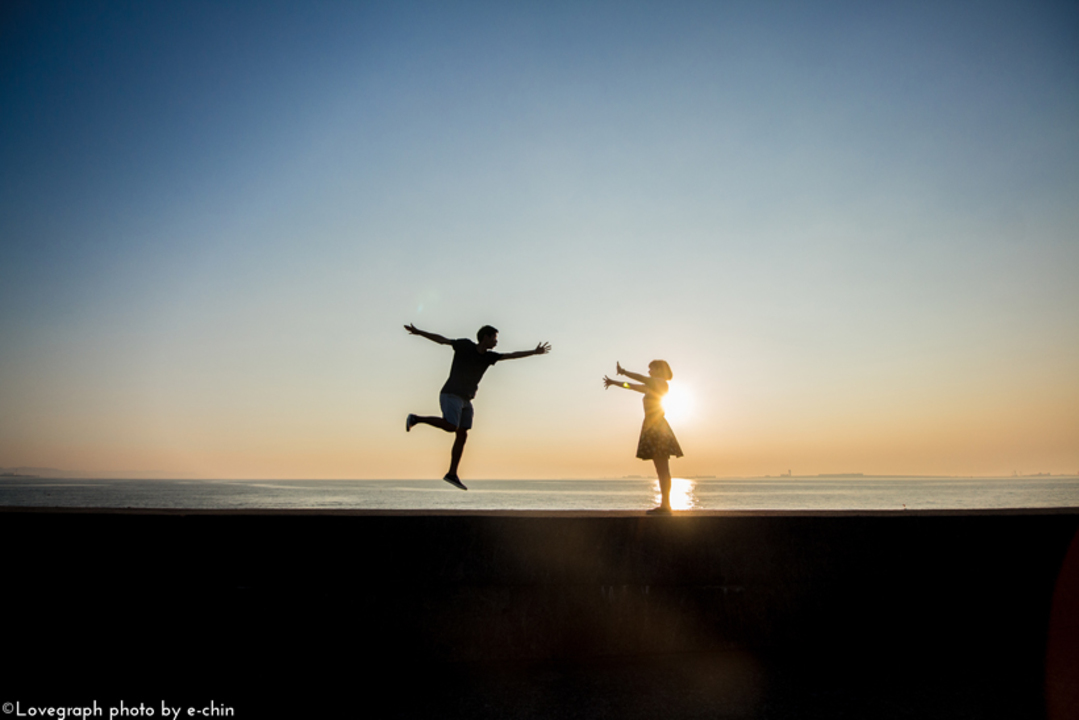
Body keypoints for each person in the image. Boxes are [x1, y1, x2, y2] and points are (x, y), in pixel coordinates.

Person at [405, 323, 551, 490]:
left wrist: (533, 352)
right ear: (485, 337)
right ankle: (416, 418)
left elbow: (511, 355)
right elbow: (442, 340)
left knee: (463, 434)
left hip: (467, 400)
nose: (496, 342)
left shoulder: (489, 357)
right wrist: (418, 332)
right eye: (494, 338)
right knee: (451, 426)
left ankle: (452, 473)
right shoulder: (465, 346)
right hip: (451, 393)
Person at [604, 360, 683, 513]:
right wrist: (614, 382)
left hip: (657, 428)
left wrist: (624, 371)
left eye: (651, 368)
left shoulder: (660, 383)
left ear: (659, 369)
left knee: (662, 469)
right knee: (661, 469)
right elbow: (631, 386)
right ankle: (665, 504)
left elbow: (640, 378)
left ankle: (666, 505)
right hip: (652, 427)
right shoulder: (652, 387)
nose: (649, 372)